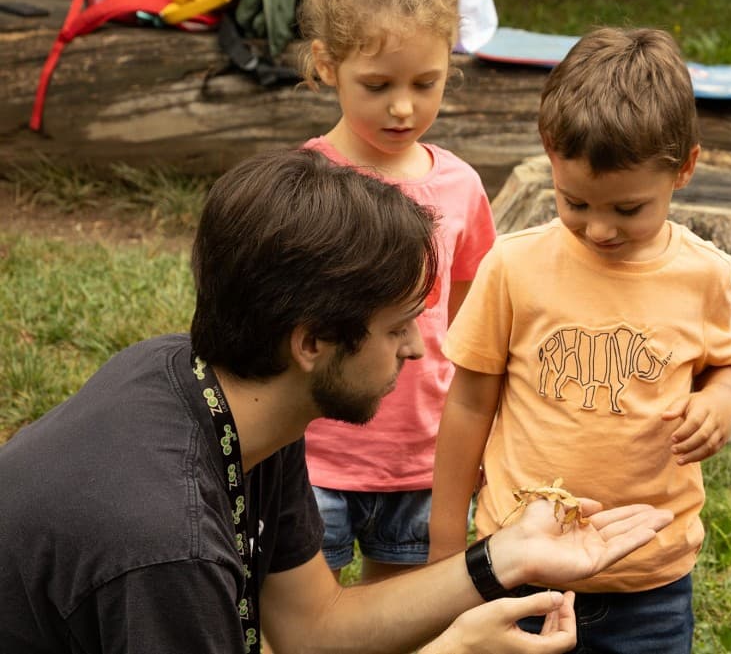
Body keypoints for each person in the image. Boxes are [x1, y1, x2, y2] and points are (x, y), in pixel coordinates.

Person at [0, 148, 675, 654]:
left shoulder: (215, 392)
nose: (418, 348)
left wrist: (504, 557)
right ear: (312, 343)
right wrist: (451, 650)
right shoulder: (168, 544)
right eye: (396, 325)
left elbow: (312, 625)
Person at [428, 26, 731, 653]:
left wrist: (720, 402)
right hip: (522, 566)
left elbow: (724, 366)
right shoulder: (514, 267)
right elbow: (469, 403)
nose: (598, 229)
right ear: (549, 151)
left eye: (627, 210)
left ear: (683, 168)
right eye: (575, 202)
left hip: (650, 577)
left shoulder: (703, 273)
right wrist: (446, 550)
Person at [296, 0, 497, 582]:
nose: (404, 107)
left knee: (400, 621)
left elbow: (473, 326)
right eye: (377, 86)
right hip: (311, 455)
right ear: (327, 65)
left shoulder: (461, 187)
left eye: (425, 83)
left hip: (423, 458)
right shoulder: (300, 182)